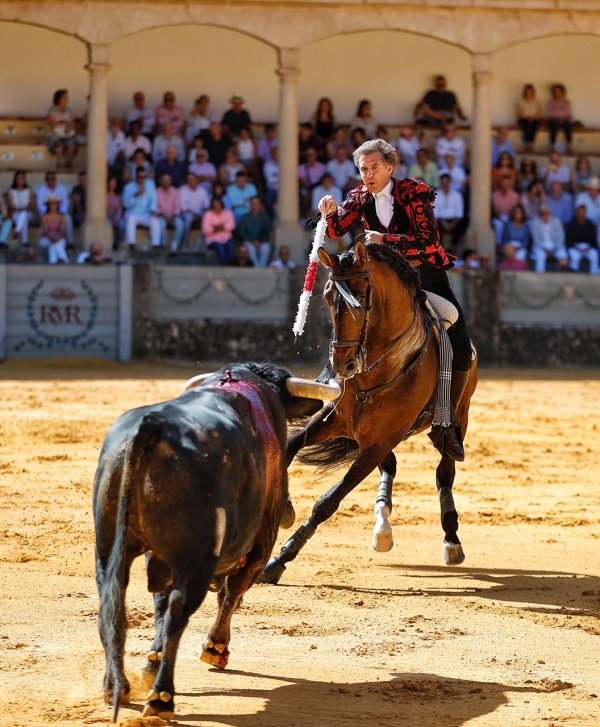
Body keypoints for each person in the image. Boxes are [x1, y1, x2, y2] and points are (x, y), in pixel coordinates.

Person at [318, 138, 471, 461]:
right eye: (363, 169)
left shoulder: (414, 193)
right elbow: (336, 230)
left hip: (426, 279)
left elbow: (428, 242)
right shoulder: (360, 196)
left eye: (375, 167)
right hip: (386, 286)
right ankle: (333, 389)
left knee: (461, 347)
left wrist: (385, 239)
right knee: (352, 323)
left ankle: (447, 423)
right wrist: (329, 213)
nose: (369, 174)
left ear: (390, 168)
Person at [122, 166, 161, 249]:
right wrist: (137, 194)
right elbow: (126, 205)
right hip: (133, 213)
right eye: (140, 177)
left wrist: (153, 210)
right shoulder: (128, 187)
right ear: (136, 176)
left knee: (155, 220)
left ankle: (156, 244)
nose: (142, 179)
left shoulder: (150, 184)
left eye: (144, 177)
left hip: (146, 213)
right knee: (131, 219)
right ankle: (131, 243)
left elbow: (154, 199)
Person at [36, 171, 74, 246]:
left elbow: (65, 203)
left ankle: (70, 243)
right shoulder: (41, 190)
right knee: (44, 218)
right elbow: (40, 205)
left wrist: (58, 213)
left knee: (68, 218)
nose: (51, 181)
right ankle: (46, 240)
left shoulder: (62, 188)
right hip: (46, 213)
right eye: (49, 179)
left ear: (56, 179)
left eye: (53, 178)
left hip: (60, 212)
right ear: (46, 180)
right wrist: (50, 213)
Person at [529, 204, 569, 273]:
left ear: (550, 213)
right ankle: (540, 276)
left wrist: (554, 249)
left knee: (563, 256)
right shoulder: (536, 223)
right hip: (541, 246)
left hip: (555, 246)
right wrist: (546, 250)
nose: (545, 215)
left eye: (547, 213)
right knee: (541, 256)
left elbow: (561, 237)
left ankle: (562, 275)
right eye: (543, 213)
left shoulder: (557, 221)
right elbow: (536, 240)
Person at [47, 89, 78, 169]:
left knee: (72, 144)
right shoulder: (52, 110)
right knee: (59, 145)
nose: (67, 99)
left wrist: (68, 128)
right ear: (59, 98)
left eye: (67, 97)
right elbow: (54, 124)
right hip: (56, 134)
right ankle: (59, 164)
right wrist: (65, 123)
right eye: (65, 97)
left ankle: (69, 164)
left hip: (67, 134)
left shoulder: (69, 109)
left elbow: (72, 122)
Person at [236, 196, 272, 267]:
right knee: (250, 248)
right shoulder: (245, 217)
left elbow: (267, 232)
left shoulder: (265, 217)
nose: (255, 206)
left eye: (257, 204)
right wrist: (253, 241)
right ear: (251, 205)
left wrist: (261, 242)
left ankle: (262, 267)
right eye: (253, 204)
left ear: (260, 205)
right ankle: (257, 268)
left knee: (266, 248)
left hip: (261, 242)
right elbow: (243, 233)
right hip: (249, 241)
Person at [433, 173, 465, 252]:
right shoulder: (436, 195)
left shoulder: (457, 195)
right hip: (441, 220)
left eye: (446, 182)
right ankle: (440, 248)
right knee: (435, 225)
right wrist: (443, 223)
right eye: (443, 183)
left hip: (454, 220)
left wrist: (453, 223)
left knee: (461, 225)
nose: (445, 185)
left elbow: (459, 213)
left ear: (450, 183)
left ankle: (453, 247)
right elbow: (435, 212)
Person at [565, 205, 599, 274]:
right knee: (575, 257)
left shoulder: (590, 224)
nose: (581, 214)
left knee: (594, 256)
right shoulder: (571, 224)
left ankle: (594, 275)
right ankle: (574, 276)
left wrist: (590, 247)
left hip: (588, 247)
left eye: (583, 212)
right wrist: (575, 247)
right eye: (580, 212)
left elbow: (594, 240)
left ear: (586, 213)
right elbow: (568, 240)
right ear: (577, 213)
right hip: (575, 247)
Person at [202, 196, 236, 264]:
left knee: (232, 249)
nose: (216, 205)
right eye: (214, 203)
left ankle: (227, 266)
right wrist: (223, 226)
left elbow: (232, 225)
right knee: (221, 249)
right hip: (213, 240)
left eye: (218, 203)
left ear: (221, 203)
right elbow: (206, 229)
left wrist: (215, 227)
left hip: (227, 238)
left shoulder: (228, 213)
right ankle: (225, 267)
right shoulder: (208, 214)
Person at [179, 172, 210, 249]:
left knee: (208, 217)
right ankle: (185, 244)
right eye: (189, 179)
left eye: (193, 179)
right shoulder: (182, 190)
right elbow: (184, 208)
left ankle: (206, 244)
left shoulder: (203, 190)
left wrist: (204, 215)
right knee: (188, 219)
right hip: (187, 214)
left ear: (197, 180)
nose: (191, 181)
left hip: (200, 214)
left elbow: (206, 206)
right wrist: (195, 215)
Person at [157, 173, 184, 250]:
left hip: (174, 216)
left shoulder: (175, 191)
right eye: (164, 180)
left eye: (168, 180)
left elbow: (178, 208)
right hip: (162, 216)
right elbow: (156, 208)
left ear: (171, 181)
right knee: (161, 224)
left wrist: (173, 216)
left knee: (180, 224)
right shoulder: (157, 191)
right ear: (161, 181)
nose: (166, 182)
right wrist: (165, 216)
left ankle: (175, 244)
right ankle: (164, 244)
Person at [7, 171, 34, 246]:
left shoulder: (29, 189)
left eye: (23, 178)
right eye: (19, 178)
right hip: (15, 213)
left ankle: (17, 232)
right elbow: (11, 206)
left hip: (28, 213)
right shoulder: (11, 190)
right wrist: (21, 210)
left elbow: (32, 204)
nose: (21, 180)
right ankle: (25, 242)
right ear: (15, 179)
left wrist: (28, 209)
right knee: (24, 218)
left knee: (24, 214)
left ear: (25, 179)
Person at [492, 175, 520, 244]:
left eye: (506, 184)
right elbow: (496, 210)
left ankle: (509, 244)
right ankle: (499, 244)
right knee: (498, 224)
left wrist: (510, 218)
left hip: (511, 217)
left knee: (511, 224)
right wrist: (501, 218)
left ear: (509, 184)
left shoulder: (514, 195)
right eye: (503, 183)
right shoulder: (496, 195)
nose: (505, 185)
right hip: (499, 218)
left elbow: (515, 210)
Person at [40, 197, 70, 263]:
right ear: (48, 205)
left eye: (55, 204)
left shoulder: (62, 217)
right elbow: (46, 231)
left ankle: (53, 261)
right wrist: (52, 238)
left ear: (57, 205)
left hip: (60, 238)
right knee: (57, 244)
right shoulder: (44, 217)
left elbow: (62, 231)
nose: (53, 206)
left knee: (54, 246)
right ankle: (64, 259)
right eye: (51, 204)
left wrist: (57, 238)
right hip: (46, 238)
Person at [546, 83, 573, 153]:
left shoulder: (567, 103)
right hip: (554, 120)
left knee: (568, 125)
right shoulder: (551, 103)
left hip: (565, 120)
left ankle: (569, 145)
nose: (557, 93)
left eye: (559, 91)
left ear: (562, 92)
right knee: (554, 125)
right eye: (556, 92)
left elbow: (569, 115)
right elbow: (550, 114)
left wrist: (563, 119)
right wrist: (557, 119)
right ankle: (552, 145)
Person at [516, 84, 543, 153]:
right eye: (527, 91)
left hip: (535, 119)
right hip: (524, 119)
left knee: (535, 125)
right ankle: (528, 144)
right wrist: (528, 118)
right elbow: (519, 114)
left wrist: (533, 118)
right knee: (526, 124)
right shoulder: (520, 101)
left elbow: (539, 114)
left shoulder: (537, 101)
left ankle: (531, 143)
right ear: (525, 92)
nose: (529, 93)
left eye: (530, 91)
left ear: (533, 92)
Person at [107, 175, 124, 247]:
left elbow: (120, 208)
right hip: (106, 215)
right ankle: (109, 242)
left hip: (115, 214)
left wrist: (117, 217)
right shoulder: (103, 195)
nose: (112, 186)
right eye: (111, 183)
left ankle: (118, 242)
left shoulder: (118, 195)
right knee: (109, 223)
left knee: (122, 224)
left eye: (114, 184)